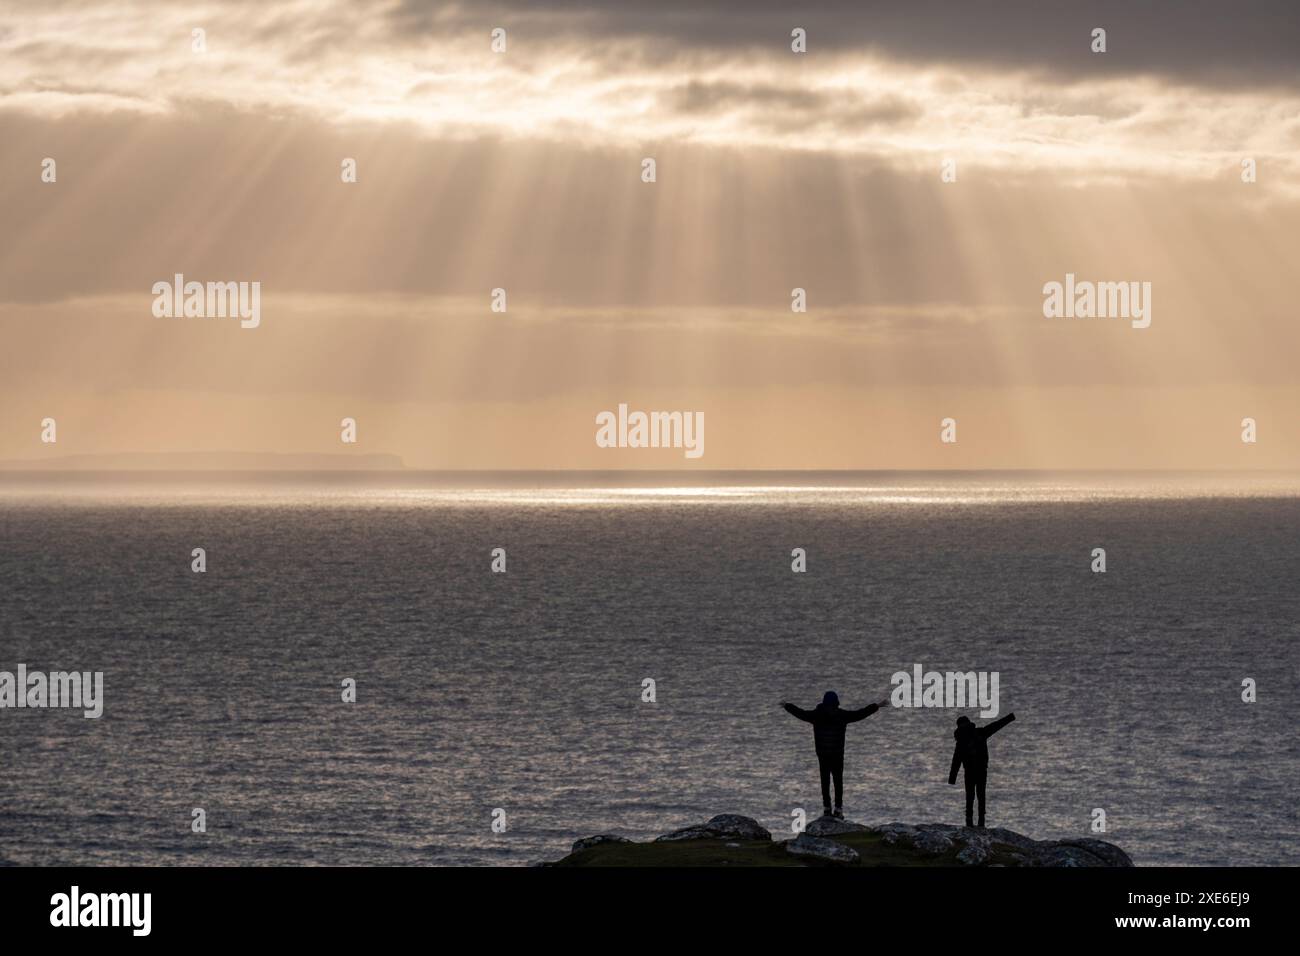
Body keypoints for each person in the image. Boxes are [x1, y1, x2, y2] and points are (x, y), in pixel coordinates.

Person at [781, 691, 889, 818]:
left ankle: (827, 808)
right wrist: (877, 706)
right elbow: (860, 713)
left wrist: (787, 706)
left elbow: (801, 713)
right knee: (838, 781)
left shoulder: (816, 715)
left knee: (825, 781)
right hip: (837, 755)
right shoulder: (842, 715)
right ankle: (838, 808)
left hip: (823, 755)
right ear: (836, 702)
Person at [948, 713, 1016, 827]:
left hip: (969, 772)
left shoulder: (960, 742)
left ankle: (969, 821)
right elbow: (996, 725)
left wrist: (952, 779)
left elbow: (956, 762)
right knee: (981, 795)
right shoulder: (981, 732)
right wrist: (1009, 718)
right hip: (981, 770)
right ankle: (981, 821)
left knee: (970, 796)